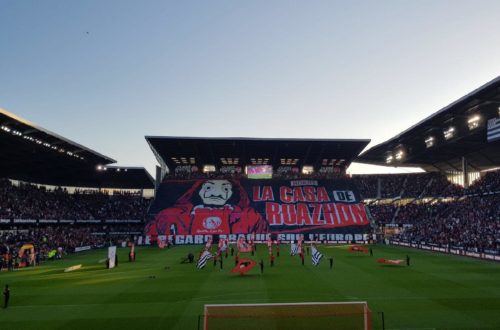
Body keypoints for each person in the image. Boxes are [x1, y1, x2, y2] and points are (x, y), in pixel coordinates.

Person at [144, 179, 268, 236]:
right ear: (197, 190)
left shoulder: (252, 217)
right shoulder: (167, 216)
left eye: (225, 188)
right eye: (208, 187)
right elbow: (151, 231)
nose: (216, 193)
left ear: (233, 193)